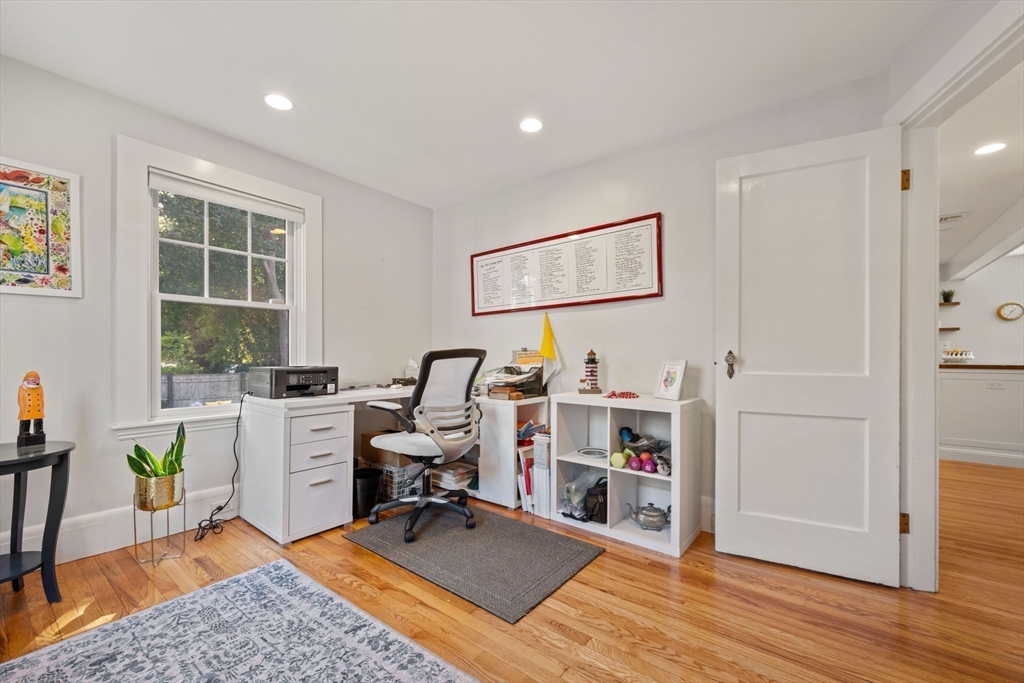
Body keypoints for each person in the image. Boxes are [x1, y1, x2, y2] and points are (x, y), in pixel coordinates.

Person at [17, 370, 45, 445]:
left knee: (39, 420)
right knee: (25, 421)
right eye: (32, 379)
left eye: (36, 379)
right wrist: (23, 408)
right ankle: (24, 432)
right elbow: (20, 399)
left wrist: (42, 406)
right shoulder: (22, 388)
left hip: (37, 408)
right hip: (27, 409)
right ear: (27, 380)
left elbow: (42, 398)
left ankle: (38, 430)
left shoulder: (40, 387)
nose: (34, 381)